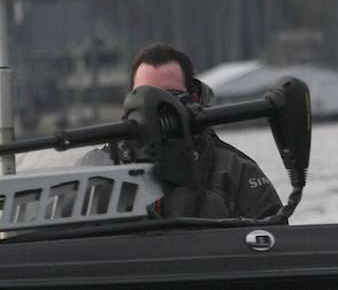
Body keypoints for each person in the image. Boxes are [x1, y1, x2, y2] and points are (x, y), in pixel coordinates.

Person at [80, 43, 283, 220]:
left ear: (193, 100)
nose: (154, 110)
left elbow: (274, 244)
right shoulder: (95, 169)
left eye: (170, 97)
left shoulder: (236, 172)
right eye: (143, 97)